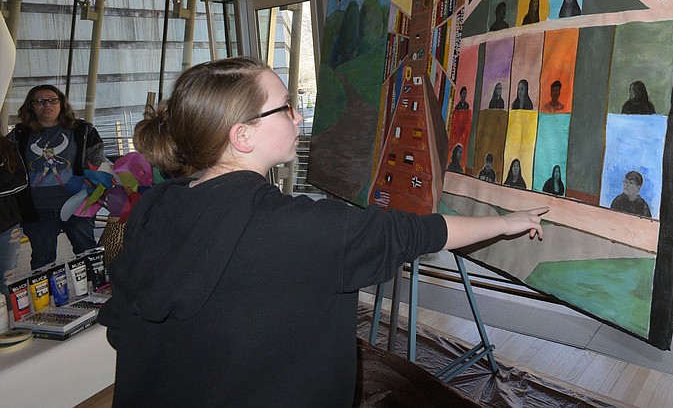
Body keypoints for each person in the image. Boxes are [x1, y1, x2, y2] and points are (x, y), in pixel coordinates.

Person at [98, 57, 547, 408]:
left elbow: (124, 327)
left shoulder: (157, 205)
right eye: (284, 107)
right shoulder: (302, 228)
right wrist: (507, 222)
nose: (297, 116)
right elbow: (413, 232)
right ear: (242, 136)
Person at [7, 85, 103, 270]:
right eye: (39, 101)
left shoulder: (82, 130)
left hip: (78, 204)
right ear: (31, 106)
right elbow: (9, 165)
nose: (47, 105)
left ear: (61, 103)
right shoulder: (19, 135)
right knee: (43, 260)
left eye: (52, 100)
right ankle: (46, 298)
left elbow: (98, 161)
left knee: (88, 251)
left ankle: (101, 289)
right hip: (37, 209)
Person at [0, 135, 27, 297]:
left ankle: (10, 321)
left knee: (8, 282)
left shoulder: (7, 146)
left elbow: (21, 181)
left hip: (7, 226)